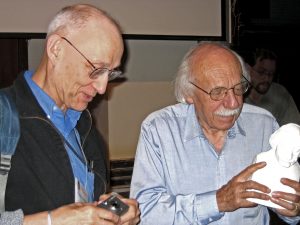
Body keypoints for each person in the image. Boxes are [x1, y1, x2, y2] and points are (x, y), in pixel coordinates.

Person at [130, 42, 300, 225]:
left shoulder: (263, 125)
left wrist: (293, 209)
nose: (233, 104)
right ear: (189, 93)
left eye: (238, 88)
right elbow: (145, 214)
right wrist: (218, 202)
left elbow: (289, 204)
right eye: (218, 92)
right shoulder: (159, 130)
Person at [3, 4, 139, 225]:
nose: (103, 87)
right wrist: (51, 221)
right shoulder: (3, 118)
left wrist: (113, 217)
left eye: (111, 72)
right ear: (56, 49)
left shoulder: (86, 130)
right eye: (96, 69)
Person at [244, 48, 300, 126]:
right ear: (247, 68)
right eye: (261, 72)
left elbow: (293, 127)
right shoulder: (237, 94)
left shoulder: (280, 94)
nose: (266, 78)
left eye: (271, 74)